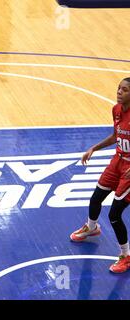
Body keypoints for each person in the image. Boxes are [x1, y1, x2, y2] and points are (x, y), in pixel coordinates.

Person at [70, 77, 130, 273]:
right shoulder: (116, 110)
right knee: (96, 197)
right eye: (118, 88)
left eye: (125, 90)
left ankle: (126, 255)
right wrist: (94, 148)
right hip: (117, 161)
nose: (119, 92)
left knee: (114, 214)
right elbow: (116, 136)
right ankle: (91, 228)